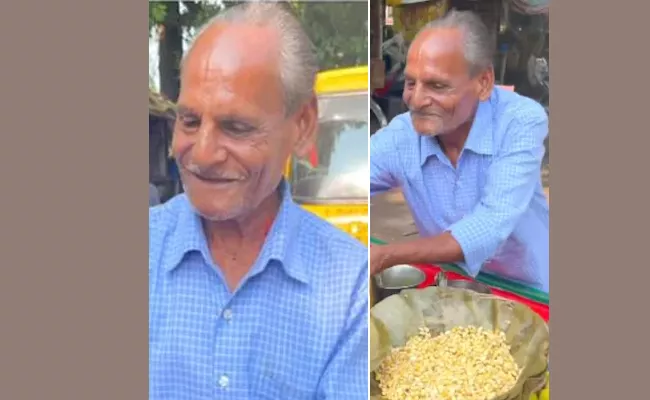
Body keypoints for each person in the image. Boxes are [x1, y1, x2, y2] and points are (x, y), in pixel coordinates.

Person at [149, 4, 368, 399]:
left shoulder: (347, 286)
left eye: (236, 127)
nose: (201, 154)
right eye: (190, 121)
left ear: (301, 126)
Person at [370, 10, 549, 293]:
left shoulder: (520, 120)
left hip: (530, 291)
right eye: (410, 82)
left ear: (483, 83)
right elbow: (347, 180)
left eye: (437, 85)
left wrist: (388, 254)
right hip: (453, 289)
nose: (415, 100)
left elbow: (488, 225)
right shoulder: (401, 136)